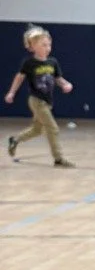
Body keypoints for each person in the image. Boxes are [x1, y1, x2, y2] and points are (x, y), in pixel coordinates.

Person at [5, 24, 76, 167]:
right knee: (53, 128)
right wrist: (12, 92)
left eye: (49, 45)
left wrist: (66, 84)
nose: (47, 47)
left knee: (37, 130)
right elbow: (19, 78)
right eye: (43, 45)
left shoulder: (53, 62)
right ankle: (58, 158)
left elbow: (58, 78)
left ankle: (15, 140)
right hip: (36, 101)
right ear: (32, 46)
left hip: (47, 101)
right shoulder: (29, 63)